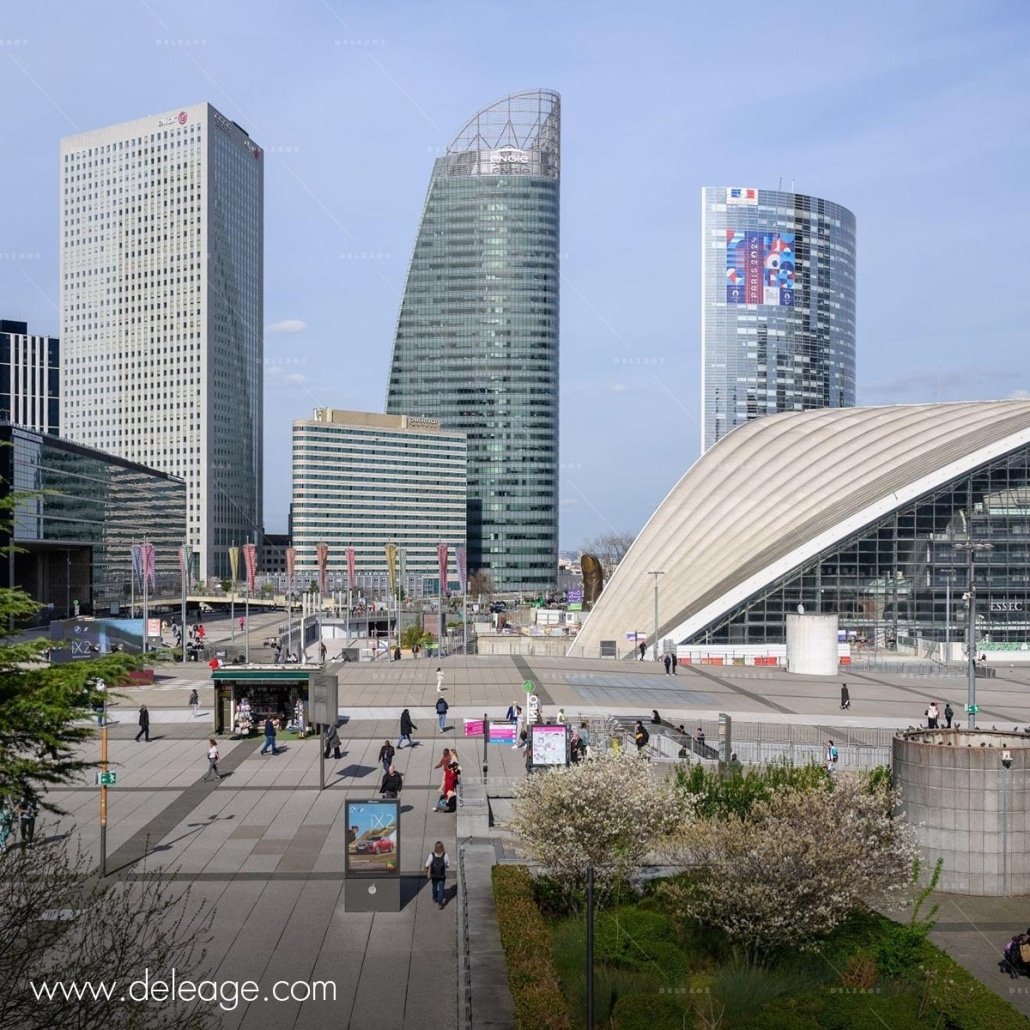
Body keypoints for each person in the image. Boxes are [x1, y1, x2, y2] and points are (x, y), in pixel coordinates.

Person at [425, 841, 450, 909]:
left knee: (434, 886)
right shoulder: (445, 855)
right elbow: (448, 865)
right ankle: (440, 903)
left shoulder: (431, 855)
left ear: (435, 847)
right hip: (442, 875)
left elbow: (427, 865)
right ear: (442, 847)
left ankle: (435, 898)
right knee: (441, 889)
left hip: (434, 875)